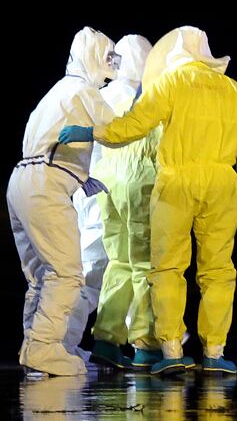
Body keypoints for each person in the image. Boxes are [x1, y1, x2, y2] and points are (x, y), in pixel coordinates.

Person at [59, 26, 237, 375]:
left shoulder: (168, 84)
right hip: (220, 183)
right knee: (217, 270)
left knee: (163, 267)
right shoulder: (233, 89)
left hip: (169, 183)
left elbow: (133, 126)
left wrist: (91, 133)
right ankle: (213, 353)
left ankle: (168, 350)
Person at [8, 26, 118, 376]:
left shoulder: (55, 91)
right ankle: (44, 347)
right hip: (47, 184)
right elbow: (118, 131)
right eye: (108, 58)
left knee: (40, 276)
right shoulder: (84, 92)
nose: (111, 66)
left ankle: (34, 345)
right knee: (67, 273)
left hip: (21, 180)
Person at [87, 34, 163, 370]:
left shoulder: (102, 96)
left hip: (107, 183)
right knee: (145, 264)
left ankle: (106, 340)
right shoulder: (151, 96)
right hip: (140, 182)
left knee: (117, 262)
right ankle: (145, 344)